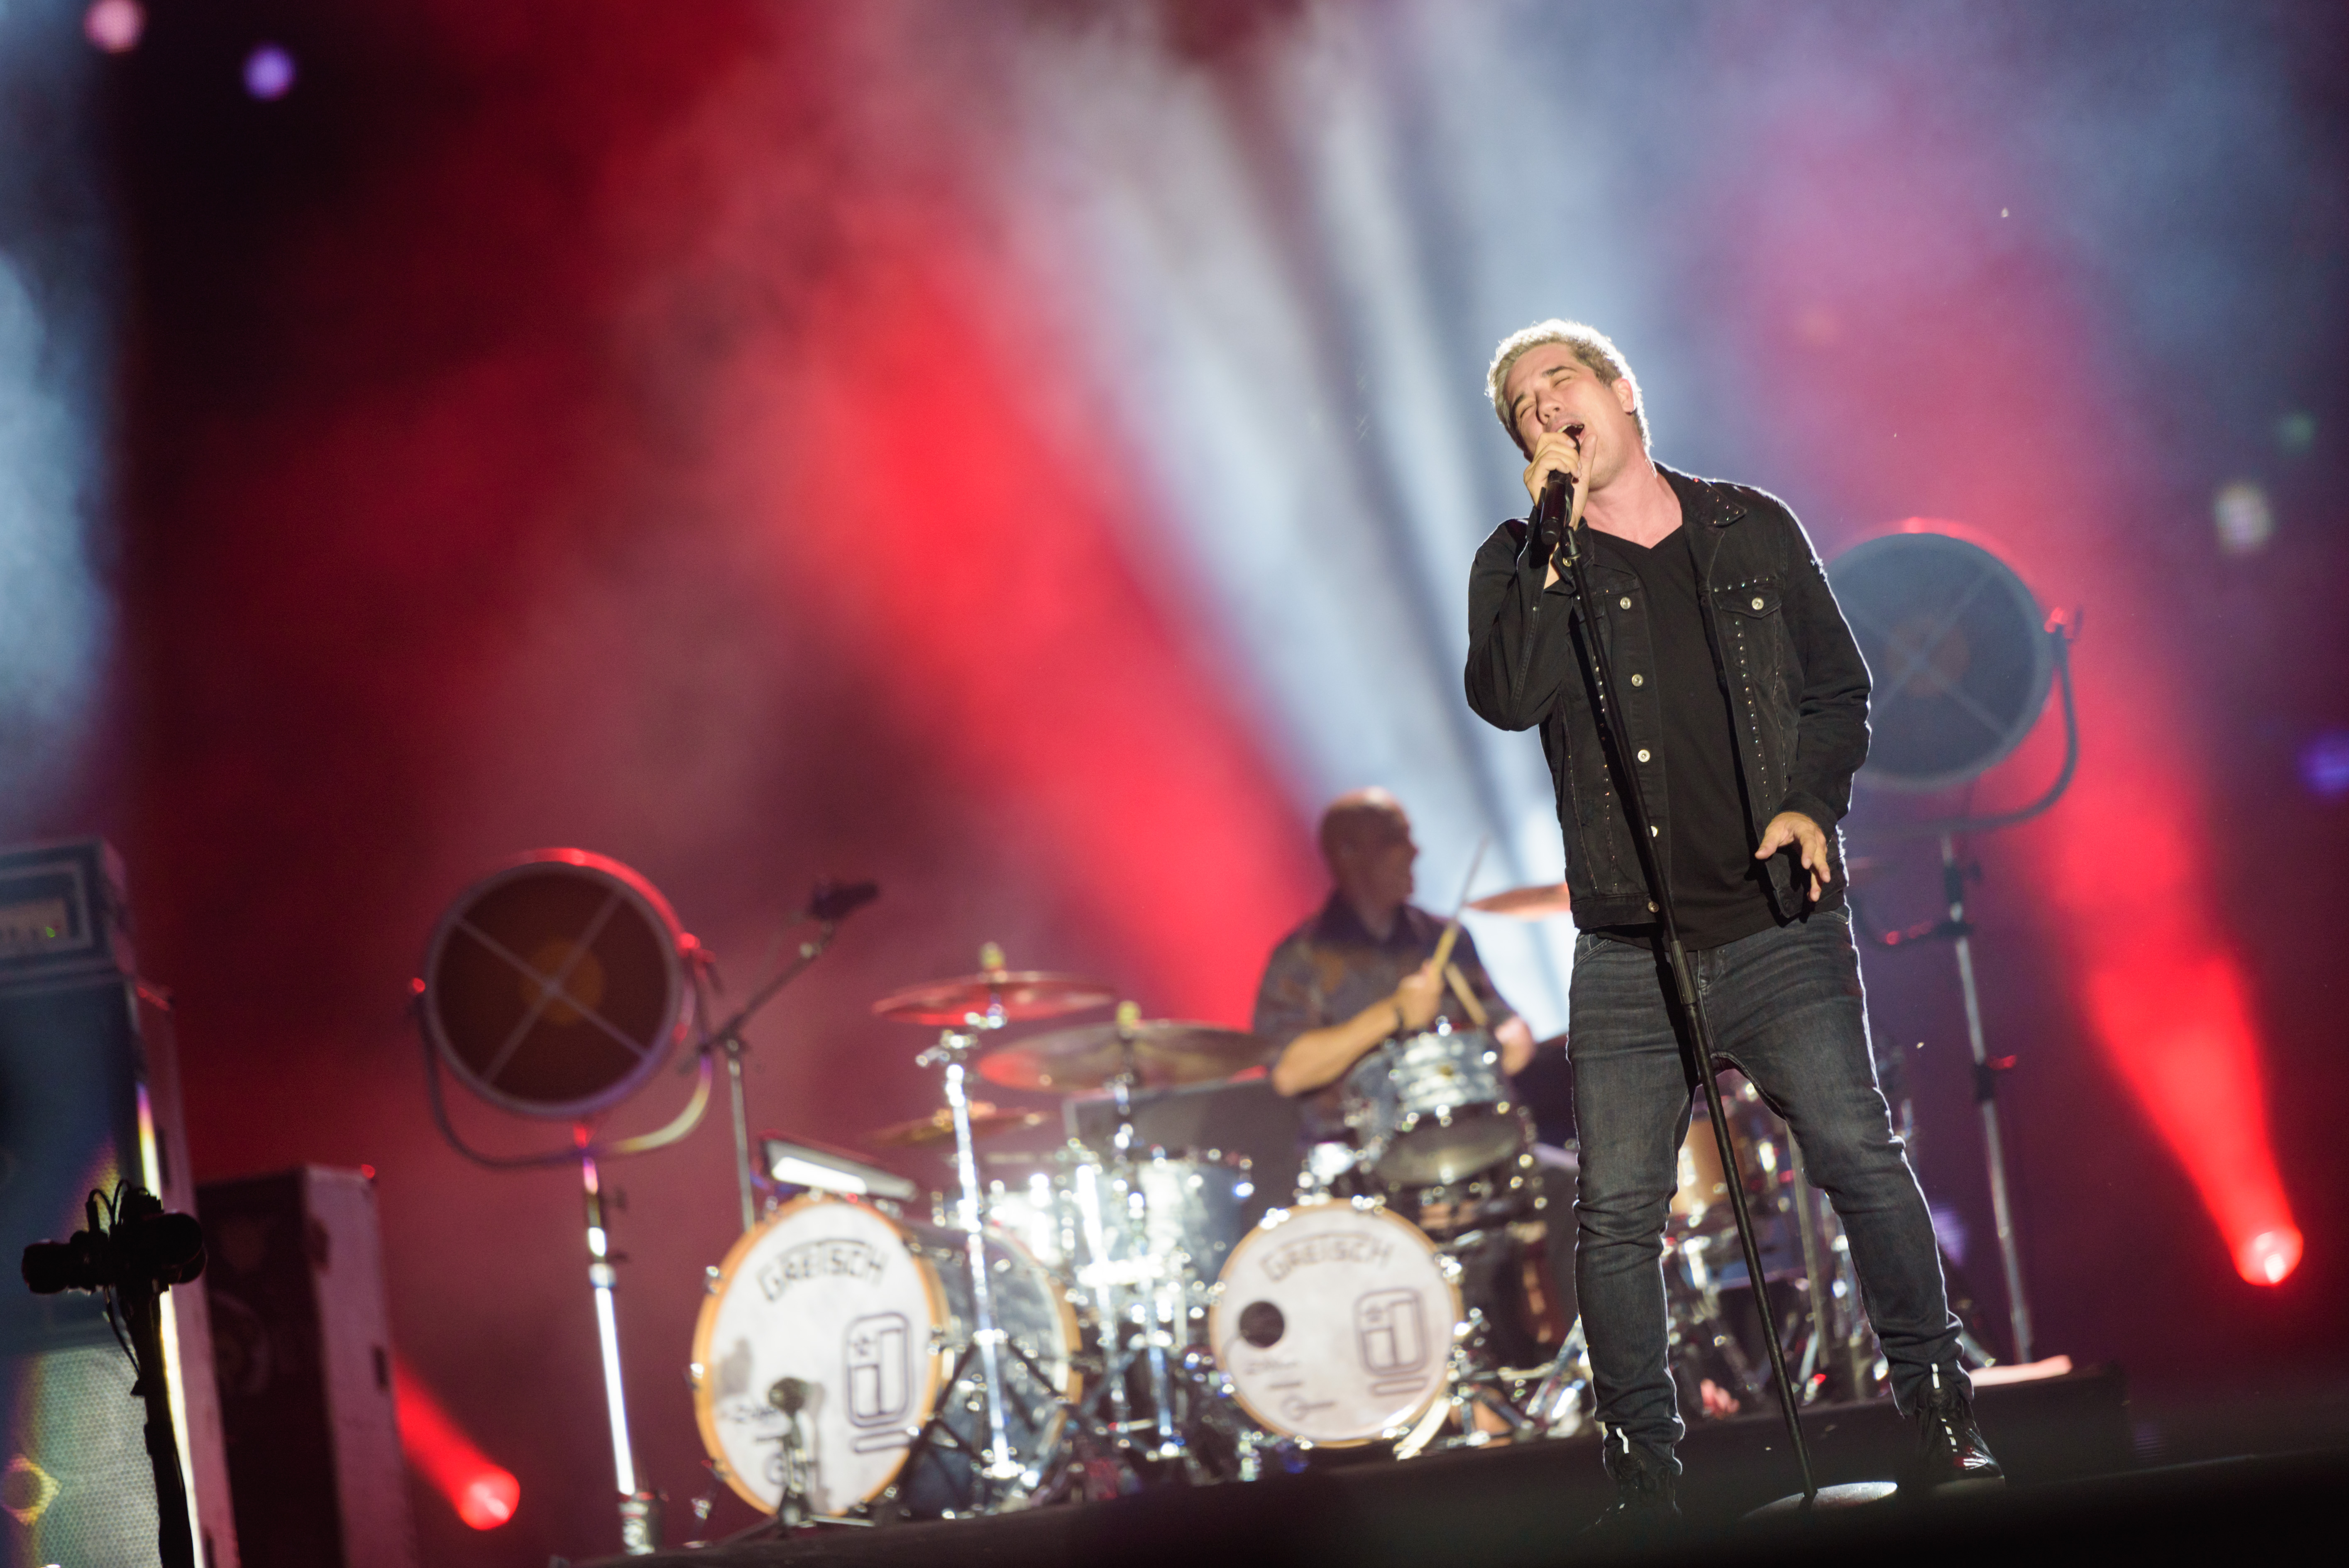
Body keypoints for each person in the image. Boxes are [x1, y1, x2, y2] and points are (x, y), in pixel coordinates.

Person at [1464, 320, 2000, 1528]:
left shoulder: (1748, 527)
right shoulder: (1519, 560)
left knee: (1858, 1156)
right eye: (1521, 406)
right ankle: (1644, 1481)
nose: (1543, 407)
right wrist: (1549, 540)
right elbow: (1506, 694)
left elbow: (1838, 689)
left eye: (1560, 381)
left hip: (1775, 926)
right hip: (1628, 948)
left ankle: (1941, 1410)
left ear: (1618, 392)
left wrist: (1810, 803)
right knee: (1616, 1215)